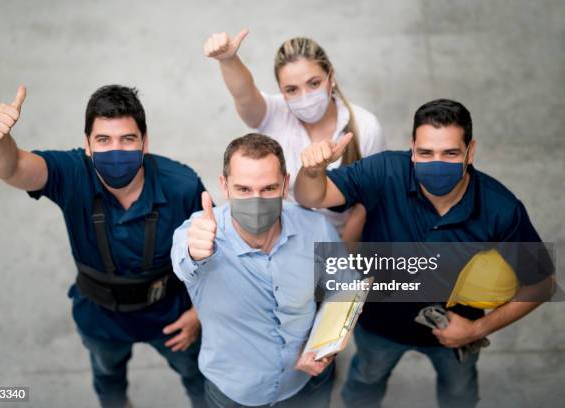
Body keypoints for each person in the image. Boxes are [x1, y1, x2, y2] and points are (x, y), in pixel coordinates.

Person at [293, 99, 554, 407]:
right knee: (365, 381)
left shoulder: (501, 210)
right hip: (379, 324)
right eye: (426, 153)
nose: (436, 163)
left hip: (454, 332)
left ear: (470, 152)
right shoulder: (385, 171)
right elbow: (314, 196)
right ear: (412, 148)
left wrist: (475, 329)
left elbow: (541, 284)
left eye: (450, 153)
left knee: (459, 393)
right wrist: (313, 172)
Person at [0, 85, 207, 408]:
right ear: (87, 145)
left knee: (199, 378)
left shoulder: (182, 184)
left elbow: (216, 254)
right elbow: (11, 168)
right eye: (103, 140)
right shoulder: (73, 173)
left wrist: (198, 313)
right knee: (108, 381)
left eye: (127, 139)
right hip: (101, 317)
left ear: (145, 143)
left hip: (172, 313)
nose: (115, 151)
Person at [171, 133, 337, 407]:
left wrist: (324, 343)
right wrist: (194, 252)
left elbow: (343, 292)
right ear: (224, 186)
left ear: (285, 185)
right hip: (234, 394)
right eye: (244, 190)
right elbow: (184, 263)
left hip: (306, 385)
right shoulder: (198, 233)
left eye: (269, 189)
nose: (256, 200)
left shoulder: (317, 229)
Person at [204, 30, 386, 241]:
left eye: (314, 83)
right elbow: (244, 94)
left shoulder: (366, 127)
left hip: (342, 240)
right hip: (281, 240)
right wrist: (228, 60)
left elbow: (366, 204)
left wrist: (341, 258)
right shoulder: (273, 113)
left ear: (331, 77)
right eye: (292, 90)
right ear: (281, 91)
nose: (305, 97)